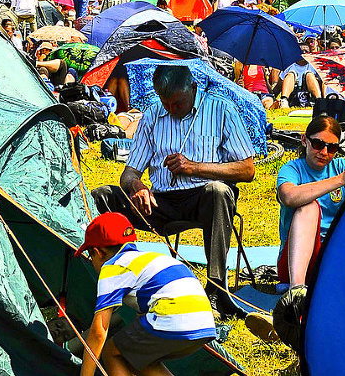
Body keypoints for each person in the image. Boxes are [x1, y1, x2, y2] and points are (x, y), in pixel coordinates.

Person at [93, 64, 256, 317]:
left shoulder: (221, 109)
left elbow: (247, 170)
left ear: (193, 88)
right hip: (160, 202)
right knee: (103, 195)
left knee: (218, 192)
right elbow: (129, 173)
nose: (171, 109)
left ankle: (215, 291)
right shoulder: (152, 115)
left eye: (178, 103)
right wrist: (138, 187)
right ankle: (107, 275)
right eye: (165, 102)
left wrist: (195, 168)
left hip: (203, 198)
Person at [76, 211, 217, 376]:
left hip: (171, 317)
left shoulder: (113, 267)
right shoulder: (151, 259)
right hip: (204, 324)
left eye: (90, 256)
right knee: (137, 357)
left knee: (111, 352)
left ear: (98, 252)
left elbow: (99, 330)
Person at [275, 115, 345, 287]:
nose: (324, 153)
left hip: (334, 255)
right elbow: (288, 196)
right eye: (318, 145)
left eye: (332, 147)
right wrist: (341, 180)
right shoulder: (292, 169)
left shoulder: (342, 166)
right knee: (309, 207)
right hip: (294, 262)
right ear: (304, 140)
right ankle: (296, 291)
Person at [271, 43, 324, 108]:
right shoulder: (289, 65)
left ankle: (319, 101)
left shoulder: (315, 66)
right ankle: (284, 100)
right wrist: (272, 98)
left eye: (306, 51)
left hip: (310, 95)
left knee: (309, 74)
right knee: (291, 74)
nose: (303, 53)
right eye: (301, 51)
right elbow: (278, 86)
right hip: (293, 95)